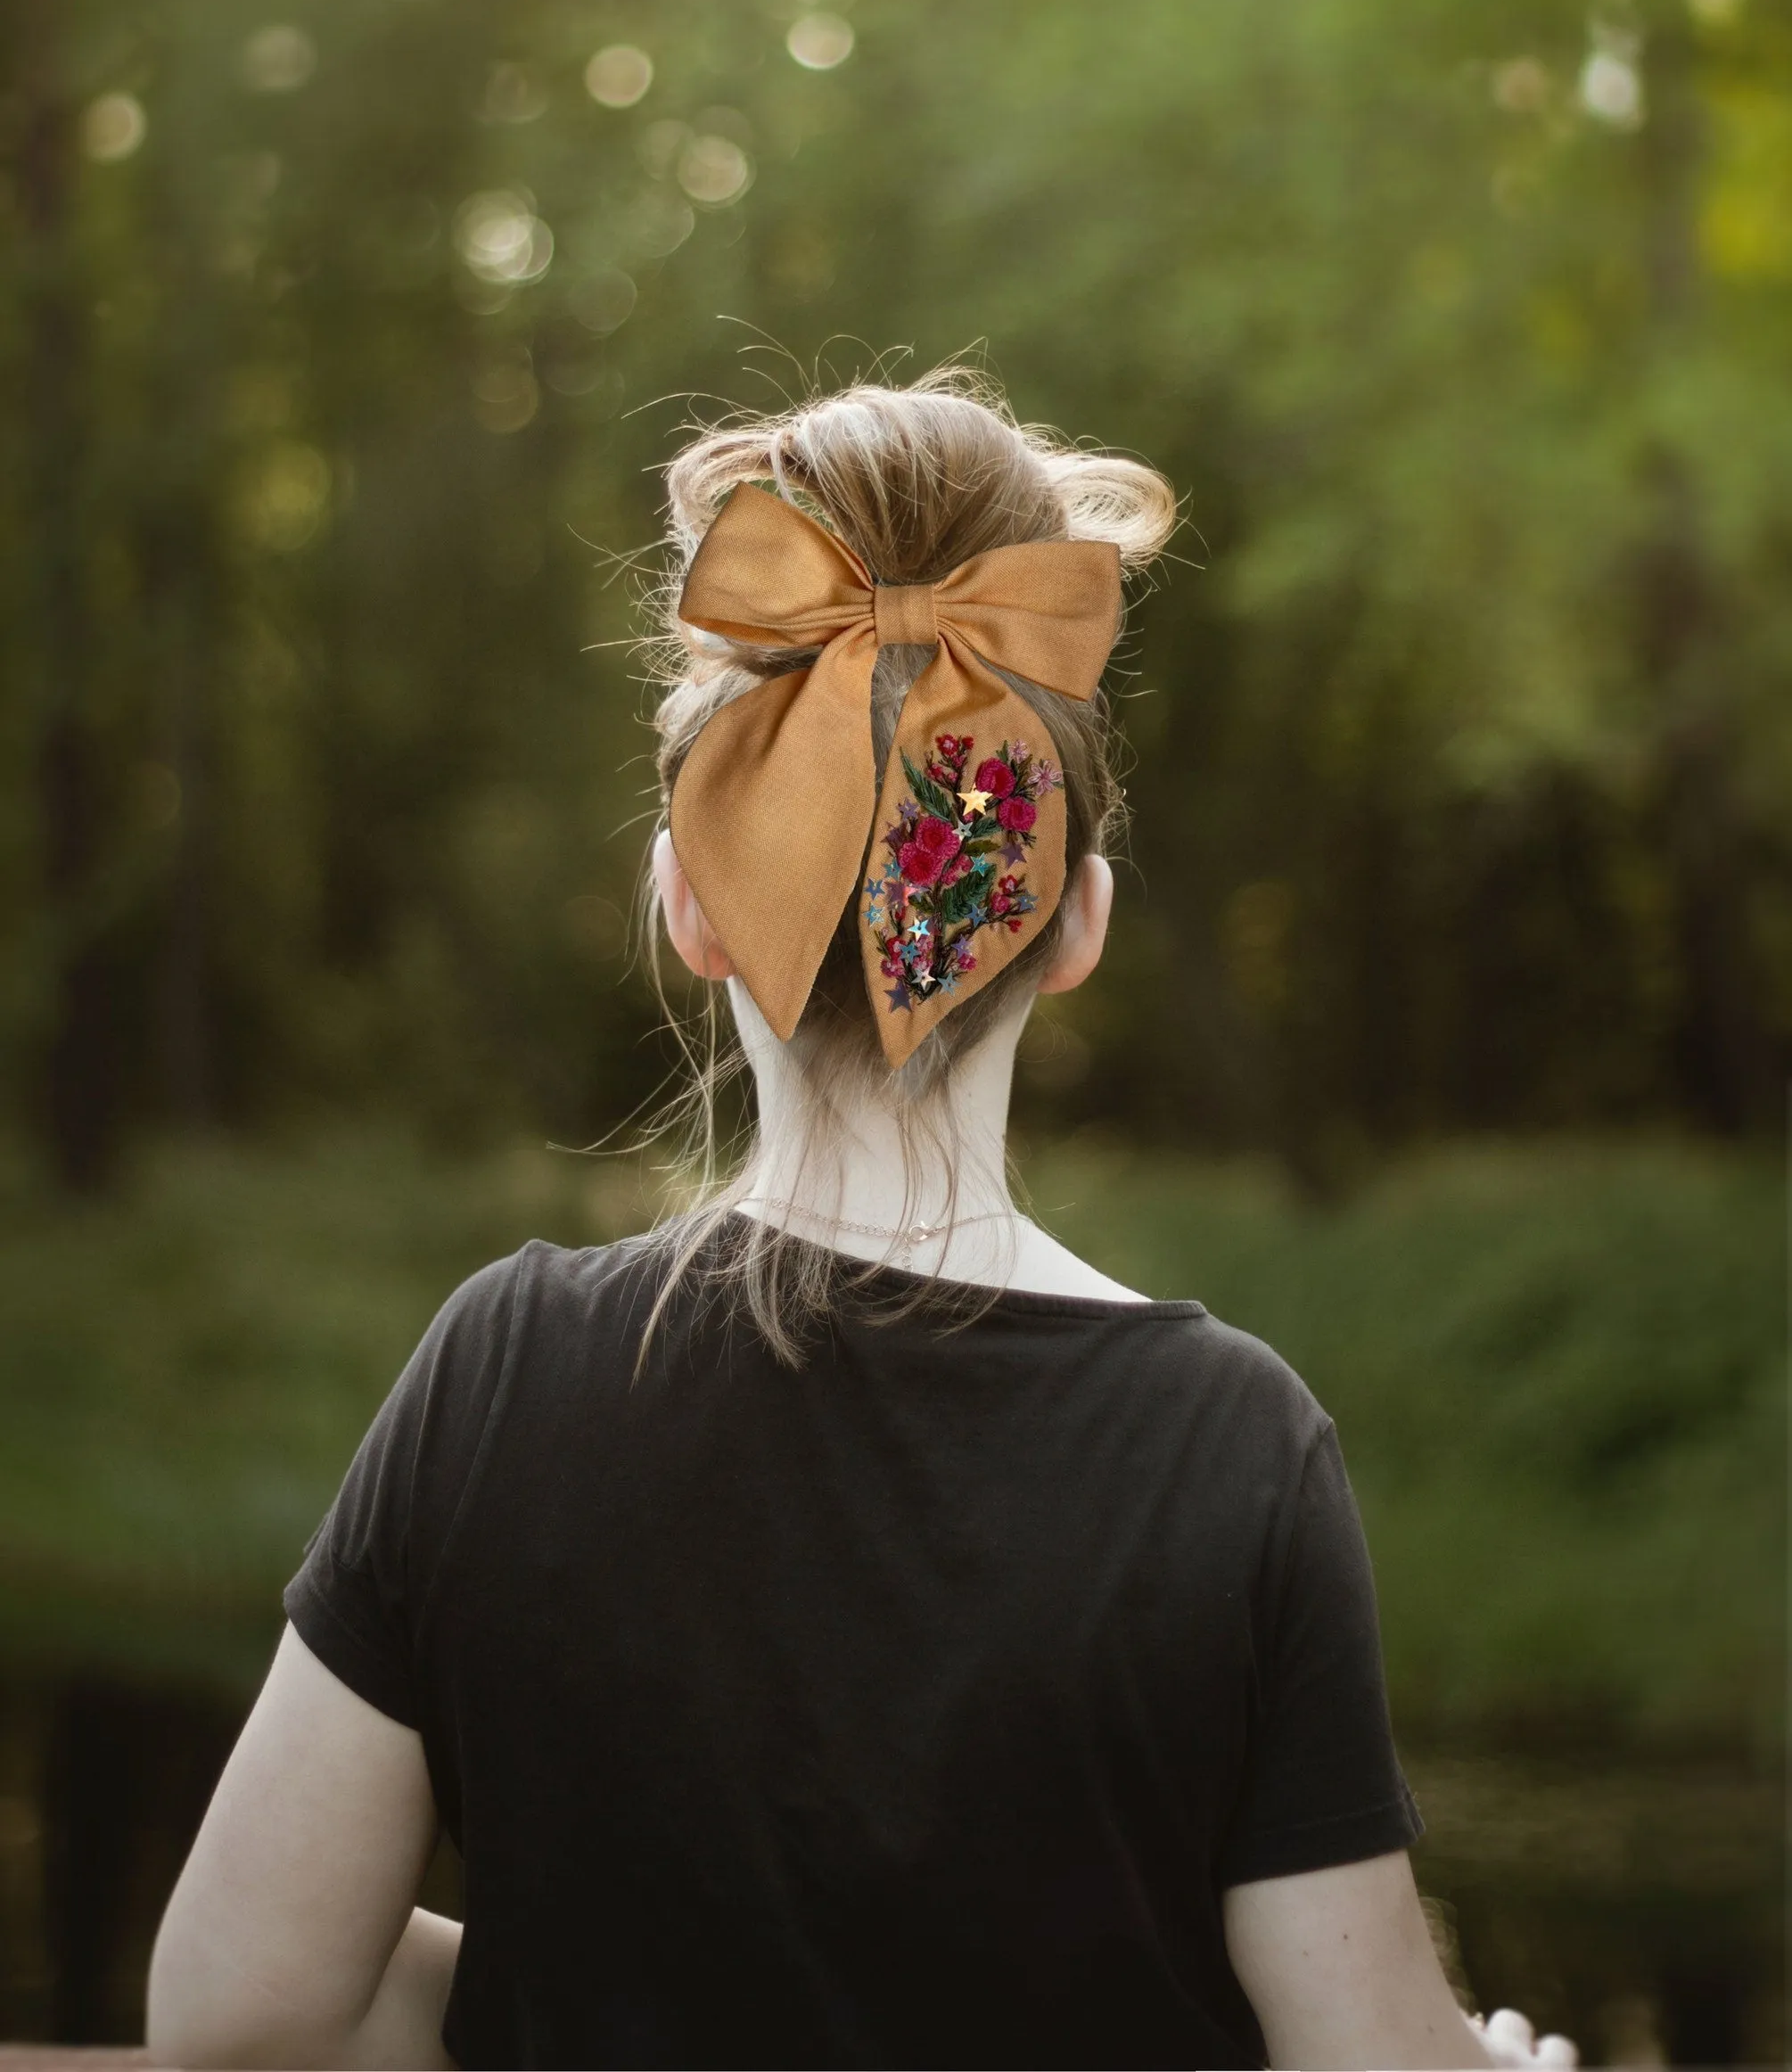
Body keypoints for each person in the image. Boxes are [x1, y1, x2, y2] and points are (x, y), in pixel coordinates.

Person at [146, 376, 1573, 2071]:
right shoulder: (1228, 1446)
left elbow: (239, 2014)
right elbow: (1362, 2055)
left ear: (687, 902)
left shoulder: (503, 1370)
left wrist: (572, 1980)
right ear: (1075, 922)